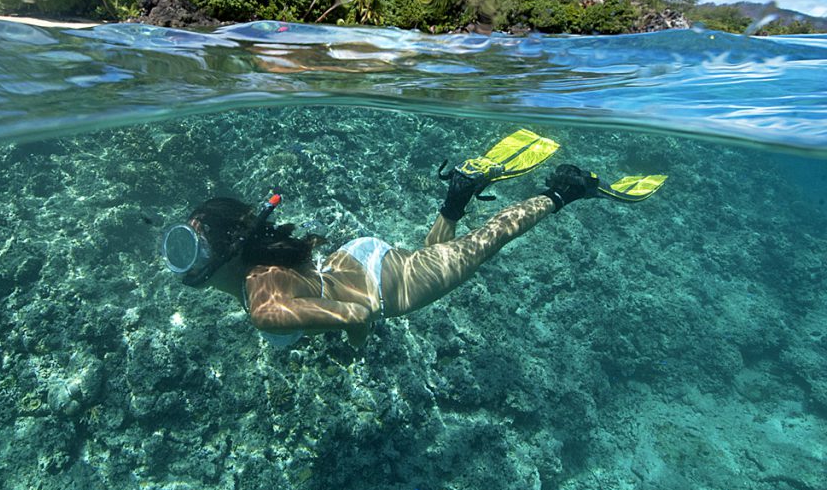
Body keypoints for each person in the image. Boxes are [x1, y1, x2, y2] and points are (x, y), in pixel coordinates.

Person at [160, 129, 665, 348]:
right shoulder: (262, 271)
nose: (182, 260)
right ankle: (459, 193)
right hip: (359, 258)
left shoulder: (261, 305)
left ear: (224, 250)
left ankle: (564, 193)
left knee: (487, 240)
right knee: (434, 253)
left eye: (187, 247)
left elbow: (357, 313)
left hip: (384, 289)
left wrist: (352, 346)